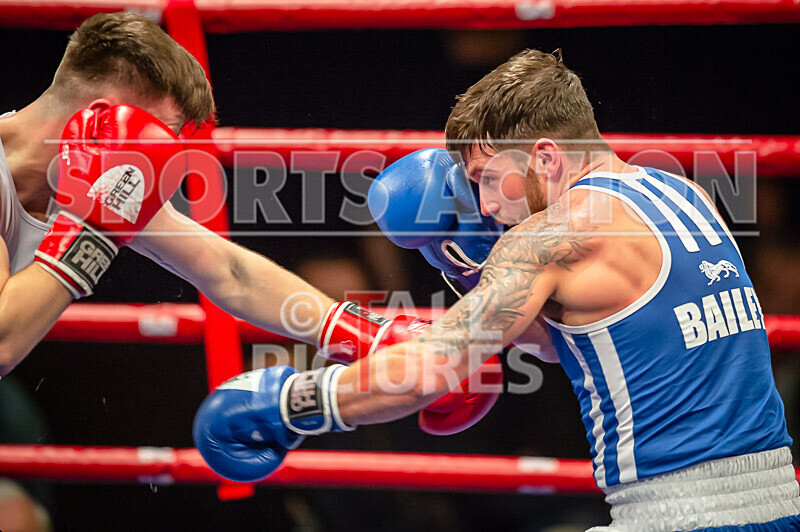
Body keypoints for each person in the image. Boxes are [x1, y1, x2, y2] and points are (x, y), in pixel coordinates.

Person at [194, 49, 800, 530]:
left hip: (676, 517)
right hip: (778, 501)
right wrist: (461, 265)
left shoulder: (548, 237)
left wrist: (294, 403)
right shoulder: (681, 193)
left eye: (487, 179)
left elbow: (431, 372)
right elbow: (575, 340)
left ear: (545, 157)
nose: (483, 205)